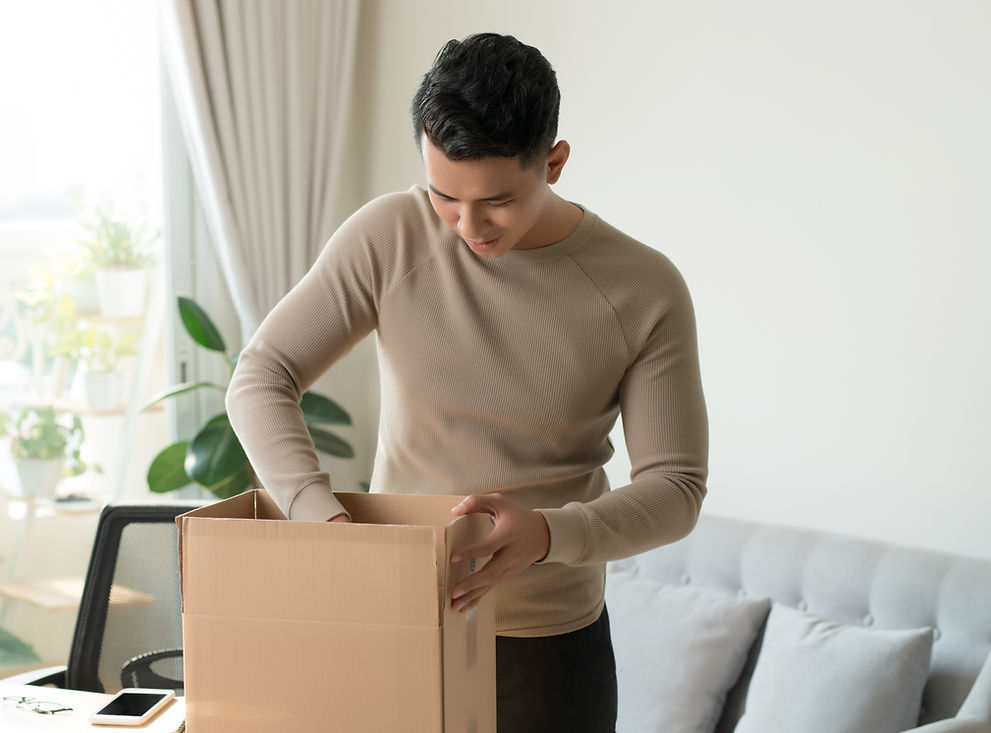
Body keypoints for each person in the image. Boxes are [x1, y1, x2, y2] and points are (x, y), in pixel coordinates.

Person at [225, 32, 708, 733]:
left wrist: (546, 533)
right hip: (389, 622)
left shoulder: (642, 287)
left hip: (544, 646)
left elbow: (676, 487)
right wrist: (320, 519)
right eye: (443, 196)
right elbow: (261, 375)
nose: (466, 225)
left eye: (497, 201)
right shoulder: (389, 235)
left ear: (554, 162)